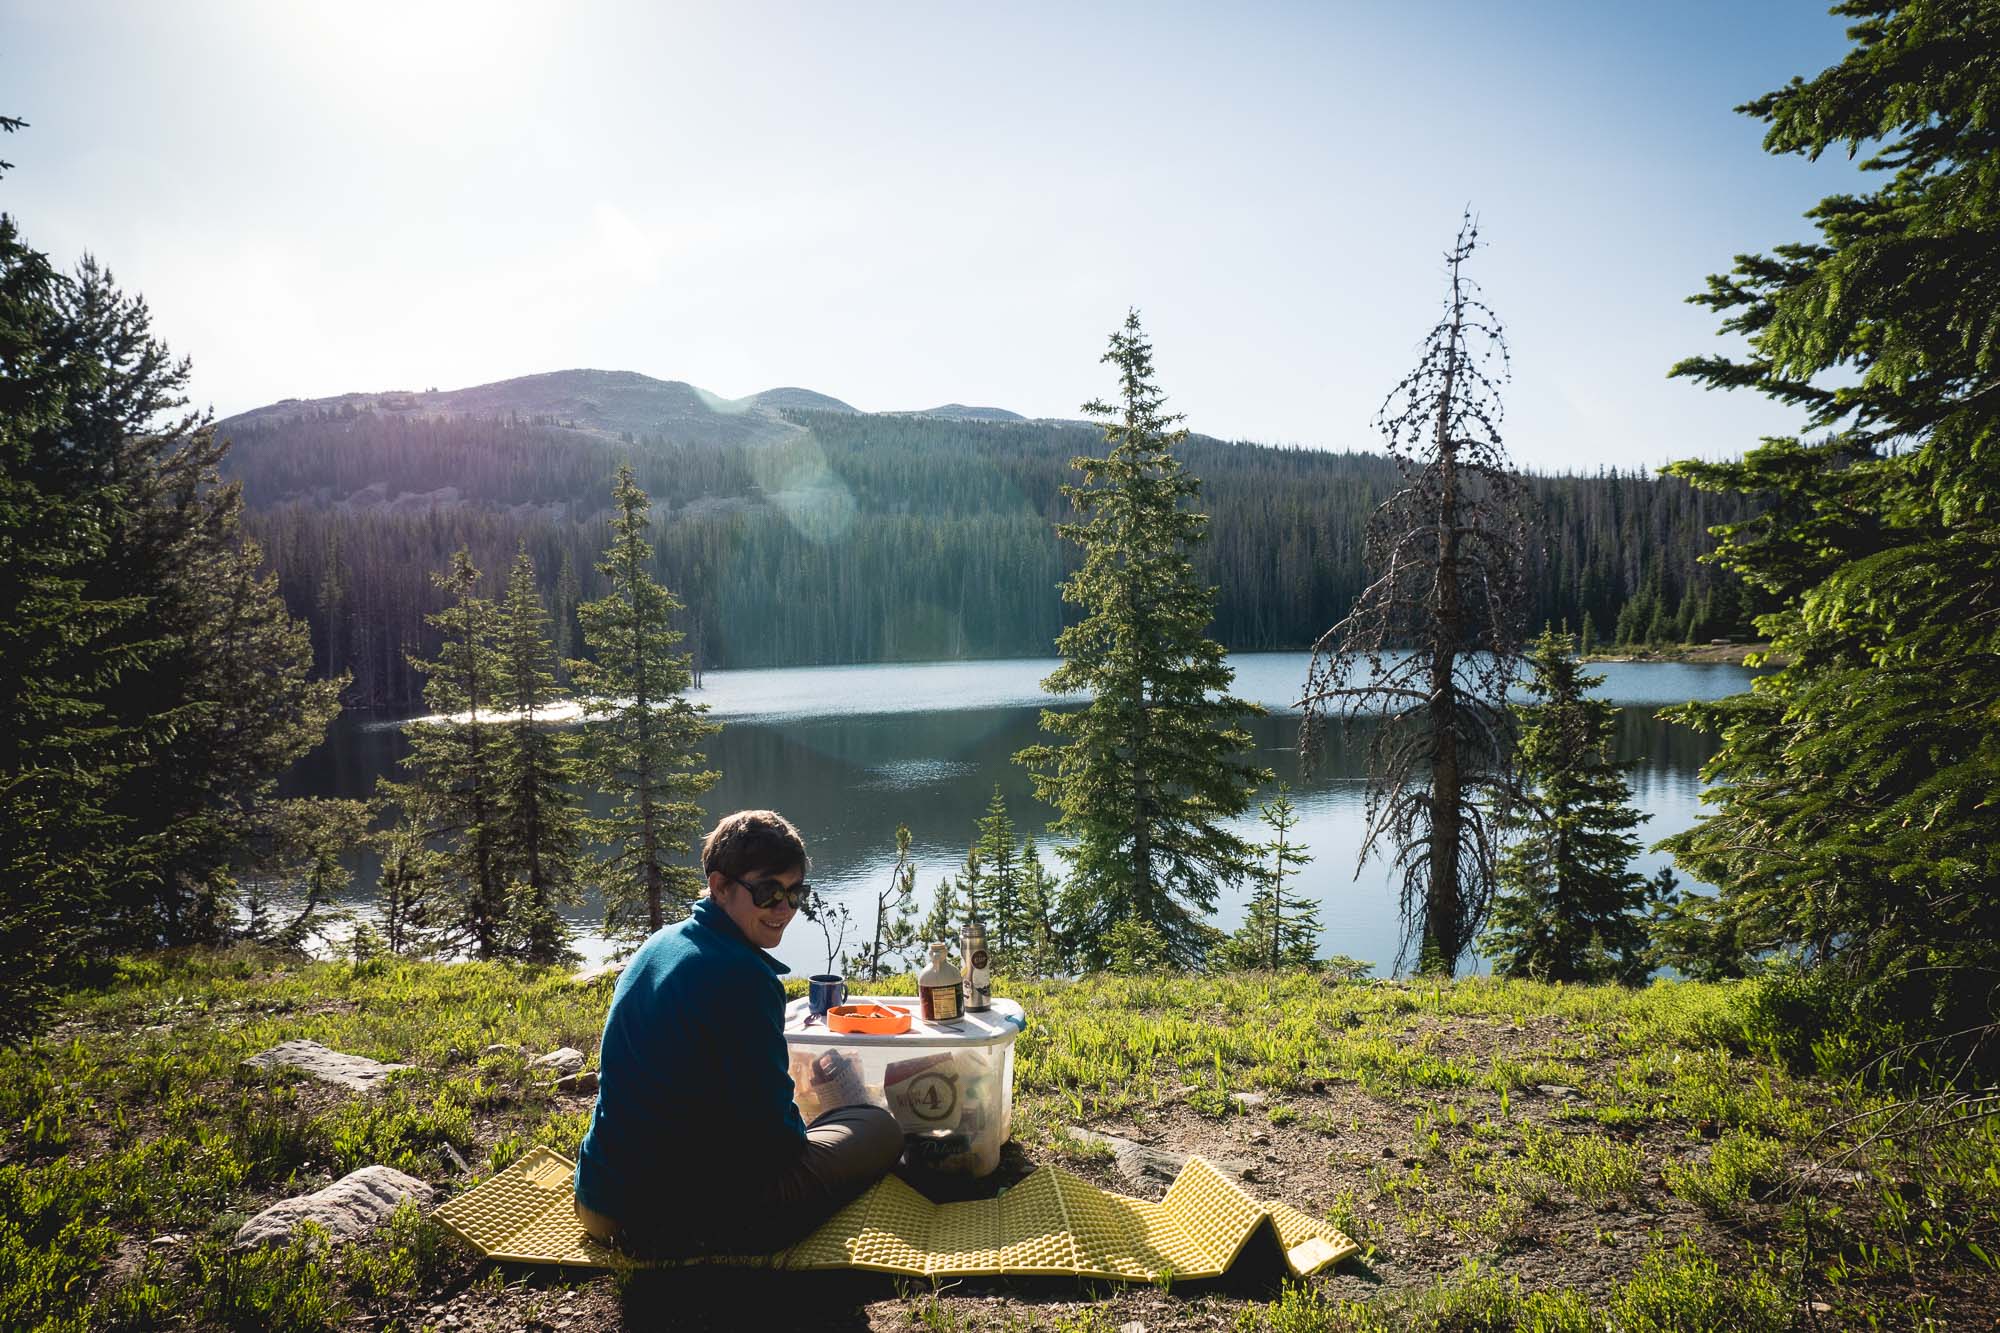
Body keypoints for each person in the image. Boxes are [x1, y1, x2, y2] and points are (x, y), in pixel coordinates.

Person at [572, 809, 902, 1256]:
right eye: (767, 891)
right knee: (877, 1125)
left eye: (793, 892)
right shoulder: (742, 977)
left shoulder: (660, 945)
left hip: (598, 1199)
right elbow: (775, 1145)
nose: (783, 908)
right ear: (720, 886)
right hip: (679, 1221)